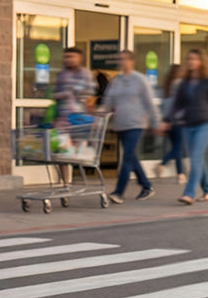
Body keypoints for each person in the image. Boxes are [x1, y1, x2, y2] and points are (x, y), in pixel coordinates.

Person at [100, 50, 159, 203]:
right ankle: (146, 186)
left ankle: (119, 192)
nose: (121, 62)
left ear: (131, 61)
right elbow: (108, 101)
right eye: (119, 59)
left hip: (136, 123)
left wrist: (156, 122)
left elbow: (149, 103)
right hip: (121, 124)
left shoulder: (140, 80)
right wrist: (99, 113)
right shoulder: (116, 81)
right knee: (131, 156)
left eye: (124, 59)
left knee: (126, 157)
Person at [169, 49, 208, 205]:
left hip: (204, 125)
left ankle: (189, 193)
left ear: (201, 62)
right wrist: (169, 119)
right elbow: (177, 104)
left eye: (195, 59)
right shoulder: (184, 83)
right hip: (188, 125)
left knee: (196, 158)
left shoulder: (207, 82)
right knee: (198, 160)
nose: (192, 62)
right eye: (190, 59)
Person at [51, 46, 96, 185]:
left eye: (71, 57)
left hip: (79, 120)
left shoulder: (86, 74)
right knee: (61, 152)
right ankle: (65, 183)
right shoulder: (61, 75)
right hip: (63, 120)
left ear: (79, 58)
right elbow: (54, 95)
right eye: (66, 57)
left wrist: (91, 118)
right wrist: (62, 96)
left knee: (77, 153)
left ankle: (78, 179)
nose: (68, 60)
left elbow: (91, 97)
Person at [155, 63, 186, 183]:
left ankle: (179, 173)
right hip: (178, 121)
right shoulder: (179, 85)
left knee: (176, 147)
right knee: (178, 148)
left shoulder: (166, 87)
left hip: (168, 121)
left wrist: (165, 120)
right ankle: (179, 173)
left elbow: (165, 104)